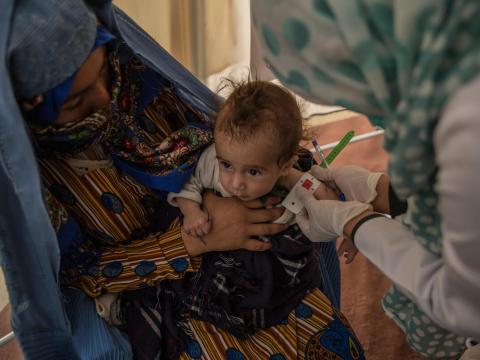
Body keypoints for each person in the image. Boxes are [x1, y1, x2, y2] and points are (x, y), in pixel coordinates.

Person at [3, 0, 363, 358]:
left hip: (247, 252)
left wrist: (296, 178)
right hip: (162, 291)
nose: (104, 99)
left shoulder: (137, 82)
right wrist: (194, 243)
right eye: (75, 101)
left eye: (103, 72)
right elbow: (80, 272)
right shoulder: (35, 180)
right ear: (30, 105)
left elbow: (230, 148)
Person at [251, 1, 480, 358]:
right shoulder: (451, 66)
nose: (376, 124)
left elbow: (464, 306)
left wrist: (357, 222)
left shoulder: (467, 125)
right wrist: (390, 196)